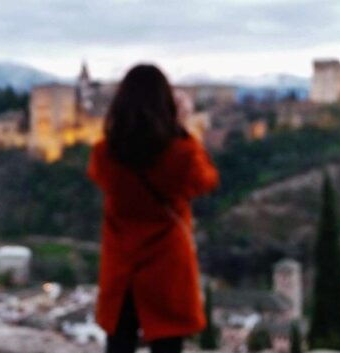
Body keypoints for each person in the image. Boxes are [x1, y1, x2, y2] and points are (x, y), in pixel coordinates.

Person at [87, 64, 219, 353]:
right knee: (168, 342)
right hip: (166, 262)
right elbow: (206, 180)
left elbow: (99, 177)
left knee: (119, 341)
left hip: (121, 262)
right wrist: (181, 127)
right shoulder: (181, 153)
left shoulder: (104, 154)